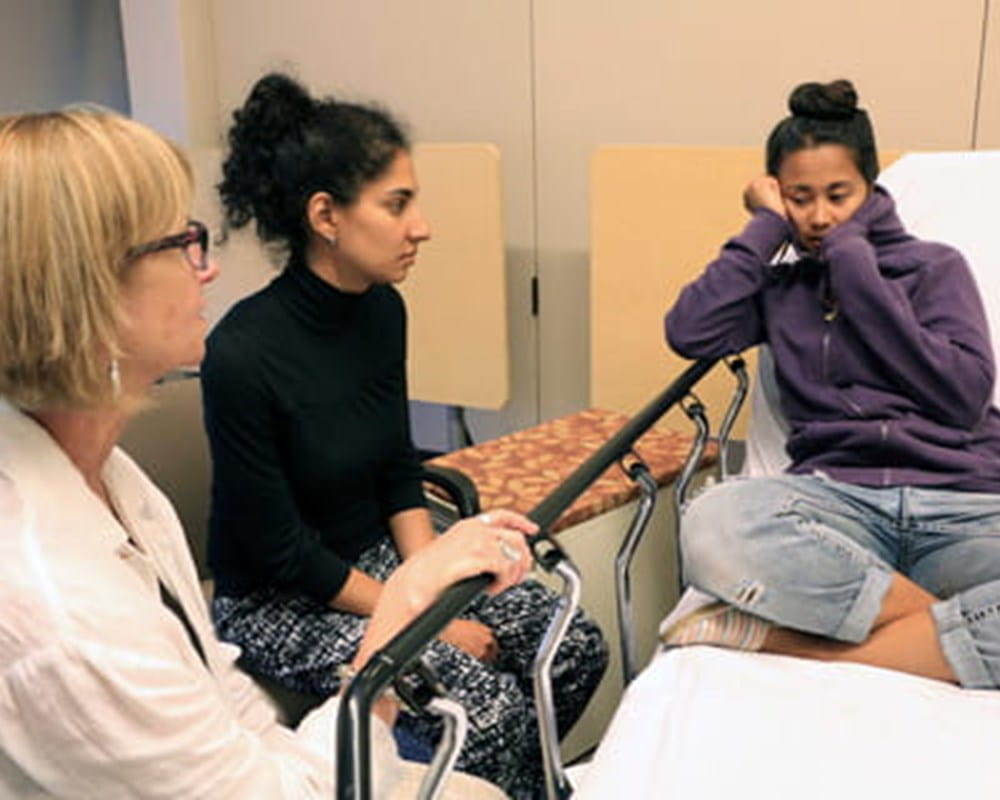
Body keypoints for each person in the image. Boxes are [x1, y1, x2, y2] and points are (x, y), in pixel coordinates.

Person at [0, 106, 540, 798]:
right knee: (487, 722)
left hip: (278, 740)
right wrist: (405, 606)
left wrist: (425, 571)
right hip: (287, 610)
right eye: (182, 243)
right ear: (90, 288)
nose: (209, 268)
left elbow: (222, 701)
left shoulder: (117, 483)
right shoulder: (64, 615)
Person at [200, 72, 607, 797]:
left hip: (377, 558)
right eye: (398, 205)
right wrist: (426, 619)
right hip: (277, 599)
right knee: (487, 714)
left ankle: (510, 788)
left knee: (572, 645)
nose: (422, 226)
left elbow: (395, 465)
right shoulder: (241, 354)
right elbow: (283, 554)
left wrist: (443, 569)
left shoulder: (382, 310)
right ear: (326, 216)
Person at [662, 79, 1000, 689]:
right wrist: (763, 231)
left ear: (871, 189)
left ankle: (818, 648)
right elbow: (689, 331)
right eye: (799, 198)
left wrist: (852, 258)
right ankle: (940, 631)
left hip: (966, 510)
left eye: (839, 196)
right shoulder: (783, 291)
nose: (819, 217)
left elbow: (962, 396)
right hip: (840, 509)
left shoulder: (935, 267)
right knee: (712, 520)